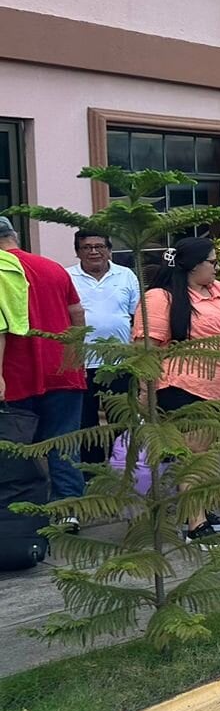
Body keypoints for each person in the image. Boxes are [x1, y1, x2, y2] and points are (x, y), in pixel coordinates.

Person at [133, 236, 220, 542]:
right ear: (194, 265)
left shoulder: (219, 291)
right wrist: (146, 391)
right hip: (181, 386)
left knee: (206, 453)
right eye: (213, 261)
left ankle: (201, 509)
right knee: (193, 454)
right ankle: (195, 523)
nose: (217, 268)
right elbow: (148, 350)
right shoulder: (160, 298)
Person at [0, 217, 87, 528]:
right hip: (62, 370)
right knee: (63, 443)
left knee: (16, 449)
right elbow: (77, 314)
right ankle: (69, 512)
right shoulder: (52, 268)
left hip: (14, 375)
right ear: (15, 236)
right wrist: (75, 358)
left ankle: (22, 515)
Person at [67, 230, 139, 463]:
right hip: (82, 360)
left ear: (109, 250)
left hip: (119, 360)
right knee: (85, 419)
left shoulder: (126, 275)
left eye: (99, 246)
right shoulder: (67, 276)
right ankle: (92, 467)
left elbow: (135, 315)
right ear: (78, 252)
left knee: (121, 416)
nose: (94, 251)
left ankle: (123, 464)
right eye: (87, 247)